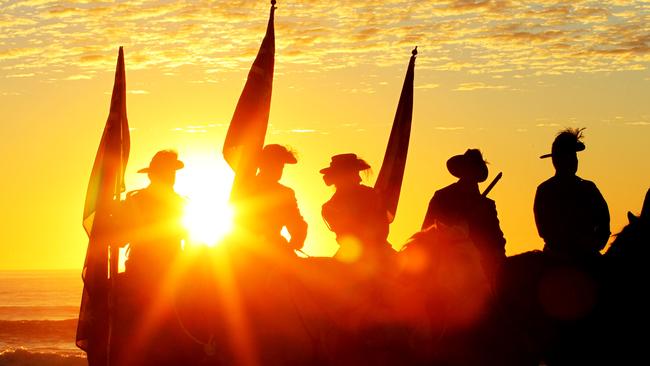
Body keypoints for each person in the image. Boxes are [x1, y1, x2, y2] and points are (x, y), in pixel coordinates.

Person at [421, 149, 506, 279]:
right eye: (468, 168)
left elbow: (497, 241)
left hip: (480, 269)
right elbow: (426, 232)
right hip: (444, 264)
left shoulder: (486, 206)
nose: (469, 173)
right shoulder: (442, 197)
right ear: (462, 170)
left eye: (473, 169)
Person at [534, 128, 610, 261]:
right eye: (571, 156)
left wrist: (593, 246)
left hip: (584, 254)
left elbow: (604, 222)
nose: (574, 160)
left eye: (574, 156)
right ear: (559, 160)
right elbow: (545, 230)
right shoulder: (546, 190)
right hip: (559, 257)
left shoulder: (545, 189)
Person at [119, 150, 187, 283]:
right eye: (167, 172)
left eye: (173, 172)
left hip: (172, 277)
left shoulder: (180, 204)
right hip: (141, 277)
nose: (171, 177)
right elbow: (120, 239)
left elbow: (189, 240)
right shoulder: (136, 202)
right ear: (152, 175)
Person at [234, 144, 307, 257]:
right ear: (263, 164)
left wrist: (295, 242)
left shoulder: (284, 193)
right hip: (244, 248)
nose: (279, 169)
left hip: (259, 248)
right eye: (275, 165)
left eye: (281, 166)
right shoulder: (245, 187)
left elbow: (296, 223)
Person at [320, 153, 394, 262]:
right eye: (355, 174)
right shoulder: (371, 195)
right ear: (344, 177)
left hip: (363, 253)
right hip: (370, 254)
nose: (359, 179)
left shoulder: (328, 207)